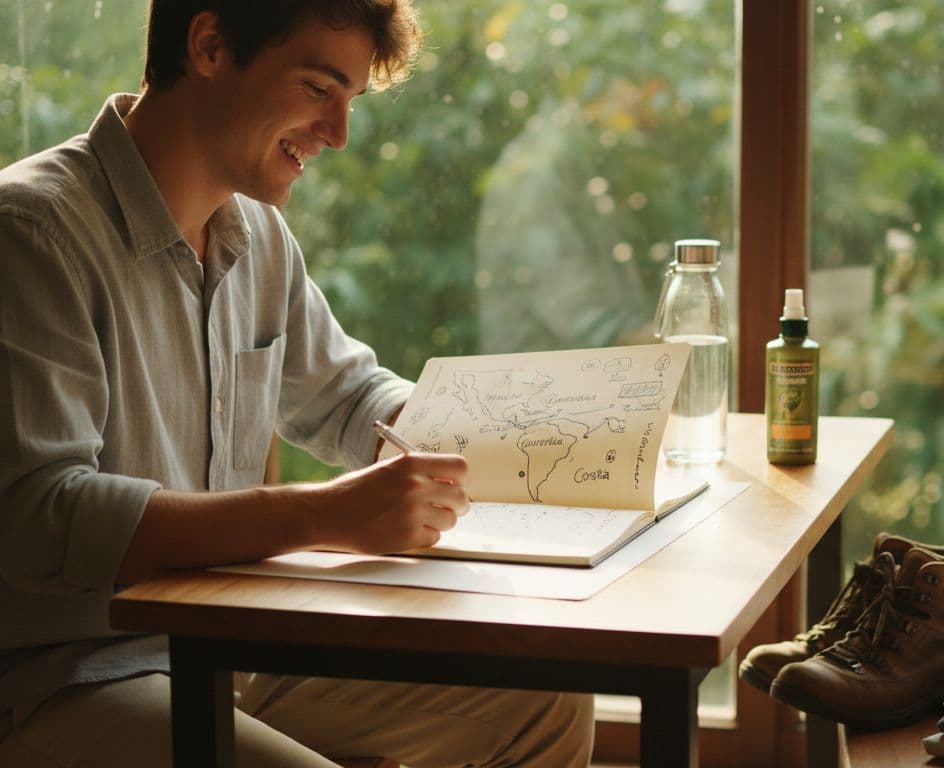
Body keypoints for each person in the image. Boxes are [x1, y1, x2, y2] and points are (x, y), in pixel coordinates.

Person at [0, 1, 594, 765]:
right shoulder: (33, 233)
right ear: (209, 45)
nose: (340, 134)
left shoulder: (256, 233)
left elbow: (351, 400)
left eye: (351, 100)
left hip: (224, 653)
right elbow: (37, 515)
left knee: (541, 701)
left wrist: (548, 438)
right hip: (60, 681)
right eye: (320, 89)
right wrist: (321, 515)